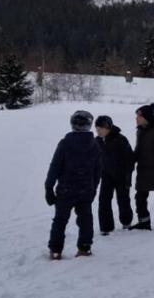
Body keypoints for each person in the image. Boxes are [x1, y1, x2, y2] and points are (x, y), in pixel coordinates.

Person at [45, 109, 102, 259]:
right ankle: (85, 248)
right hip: (85, 190)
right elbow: (97, 171)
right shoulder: (95, 145)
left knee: (60, 220)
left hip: (66, 190)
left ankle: (56, 251)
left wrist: (49, 187)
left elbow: (55, 166)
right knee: (85, 219)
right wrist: (93, 188)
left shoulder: (65, 144)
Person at [94, 114, 135, 235]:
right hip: (106, 175)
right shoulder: (98, 141)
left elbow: (130, 160)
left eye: (100, 129)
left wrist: (128, 177)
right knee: (103, 200)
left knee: (123, 200)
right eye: (97, 129)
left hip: (121, 176)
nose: (98, 131)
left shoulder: (120, 140)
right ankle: (106, 227)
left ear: (107, 127)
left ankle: (126, 222)